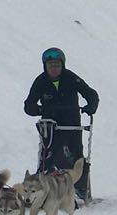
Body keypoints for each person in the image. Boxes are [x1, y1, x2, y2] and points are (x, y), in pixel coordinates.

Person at [25, 47, 99, 203]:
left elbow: (91, 94)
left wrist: (91, 106)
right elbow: (28, 105)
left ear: (62, 65)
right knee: (49, 157)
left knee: (75, 156)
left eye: (57, 65)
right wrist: (37, 109)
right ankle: (44, 190)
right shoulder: (41, 81)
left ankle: (80, 188)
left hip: (72, 126)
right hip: (50, 128)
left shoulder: (71, 78)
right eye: (50, 65)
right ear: (45, 66)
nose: (54, 68)